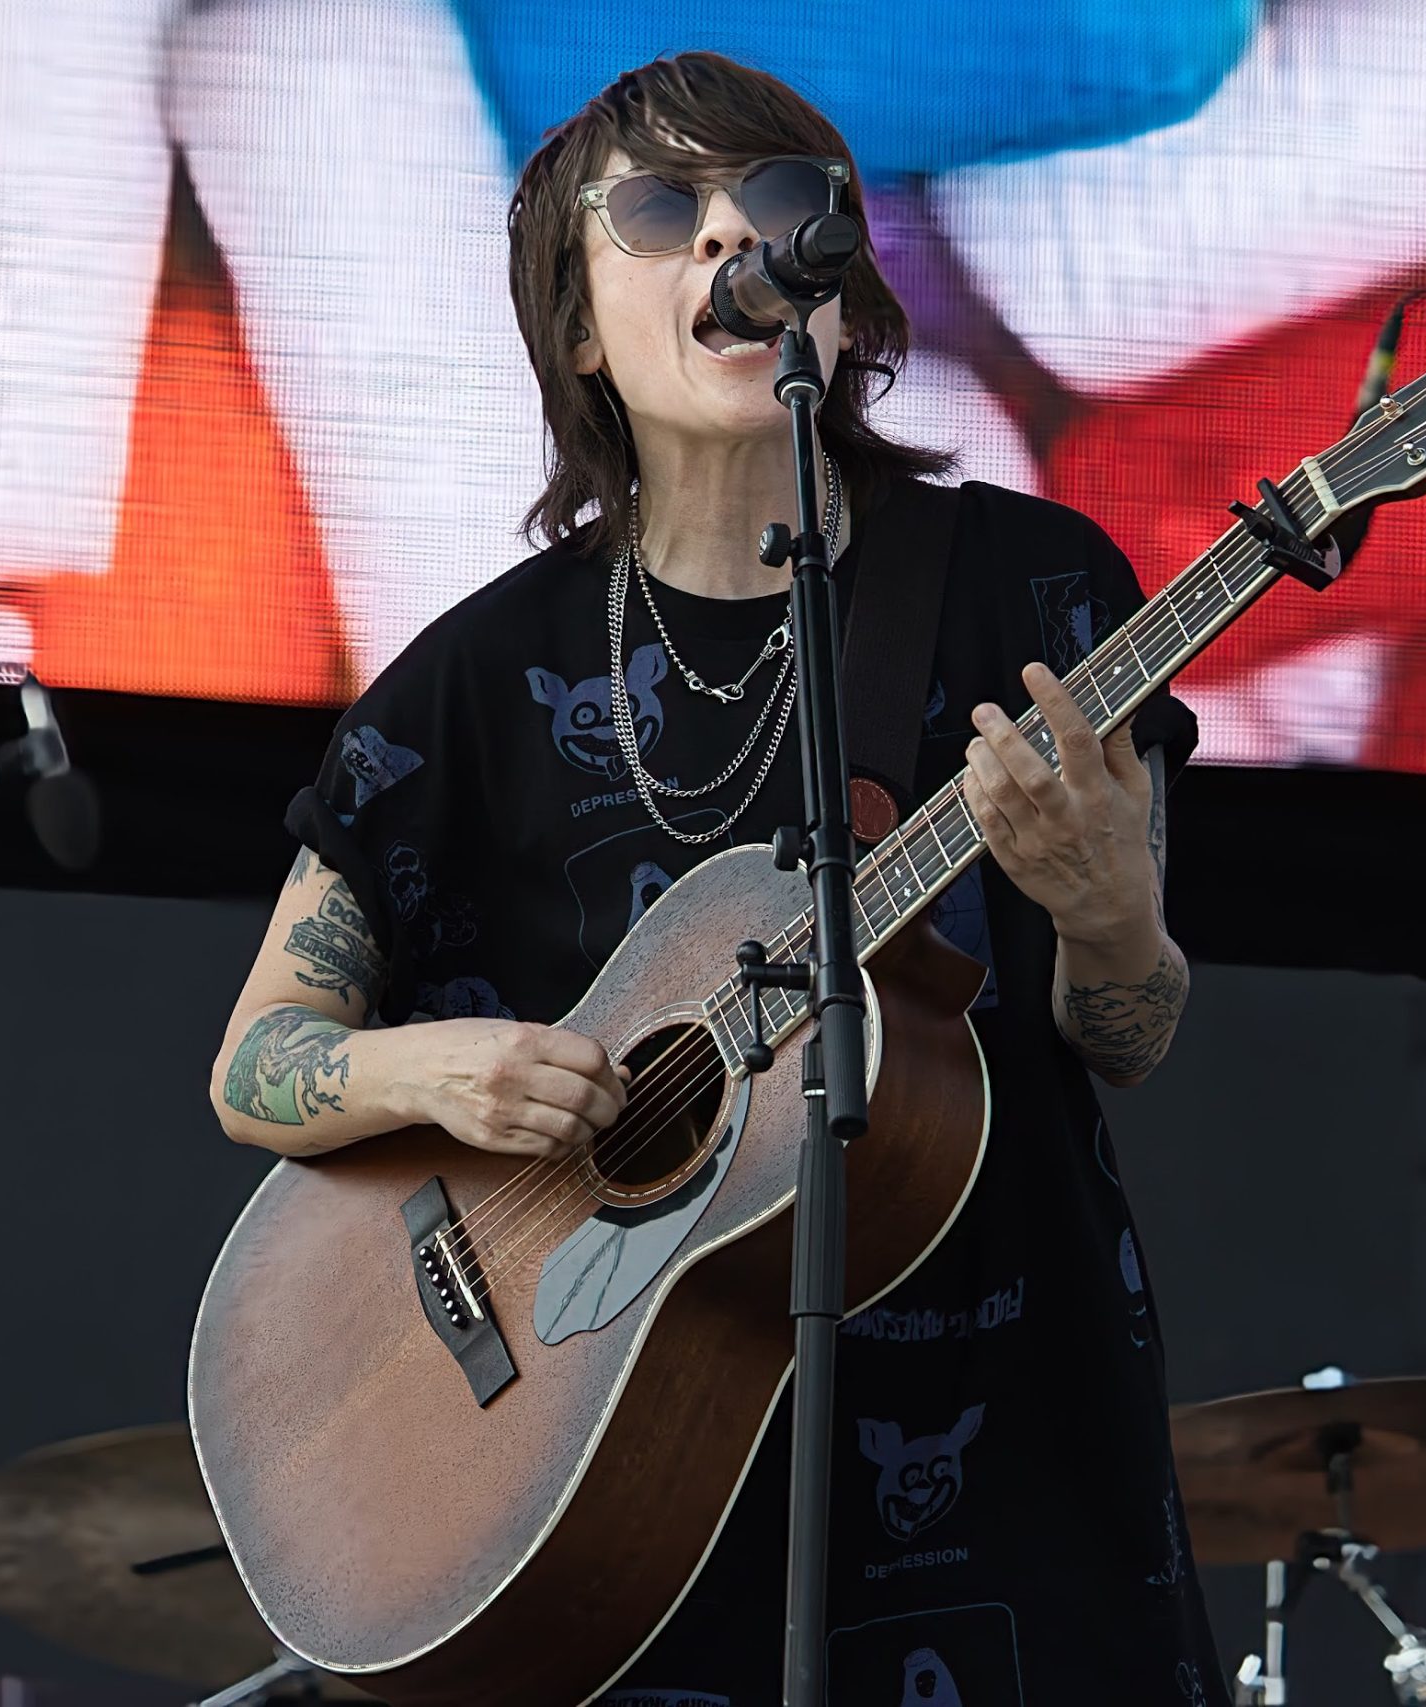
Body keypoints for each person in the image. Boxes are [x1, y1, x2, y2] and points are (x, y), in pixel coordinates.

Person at [209, 51, 1220, 1707]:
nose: (729, 243)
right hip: (609, 1495)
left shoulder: (1034, 592)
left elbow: (1130, 1030)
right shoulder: (472, 683)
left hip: (1005, 1466)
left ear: (842, 295)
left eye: (779, 206)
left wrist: (1109, 910)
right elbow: (260, 1062)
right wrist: (439, 1069)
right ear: (582, 329)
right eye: (662, 212)